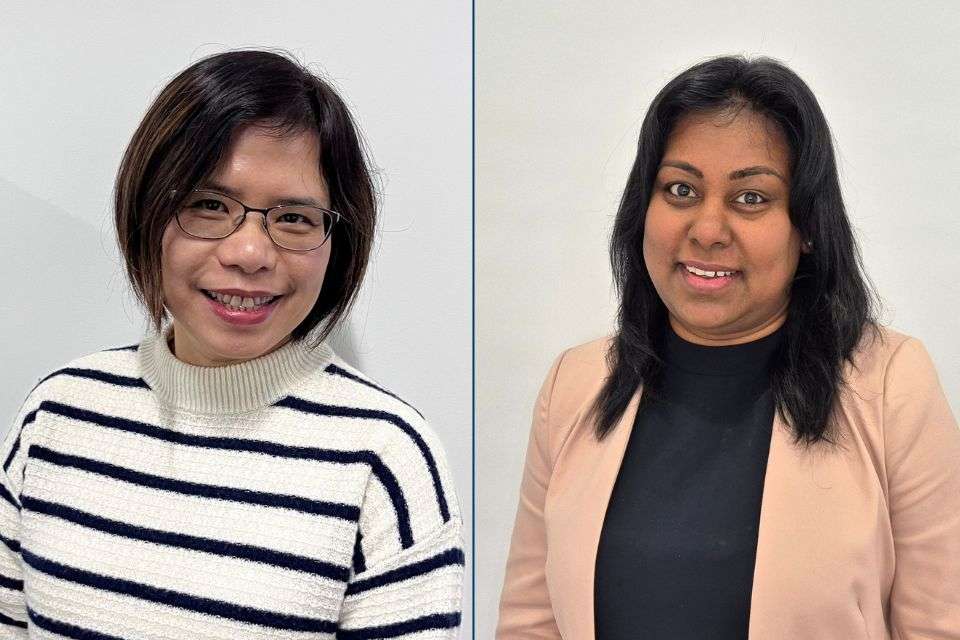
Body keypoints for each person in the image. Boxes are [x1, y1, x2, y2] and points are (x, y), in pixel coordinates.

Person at [0, 50, 463, 639]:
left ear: (335, 243)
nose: (249, 253)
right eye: (209, 206)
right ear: (147, 212)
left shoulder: (386, 457)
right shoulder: (57, 415)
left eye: (294, 217)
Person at [496, 56, 960, 639]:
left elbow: (941, 625)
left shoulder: (891, 384)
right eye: (681, 189)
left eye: (751, 199)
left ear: (808, 224)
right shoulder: (576, 384)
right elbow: (531, 623)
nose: (708, 229)